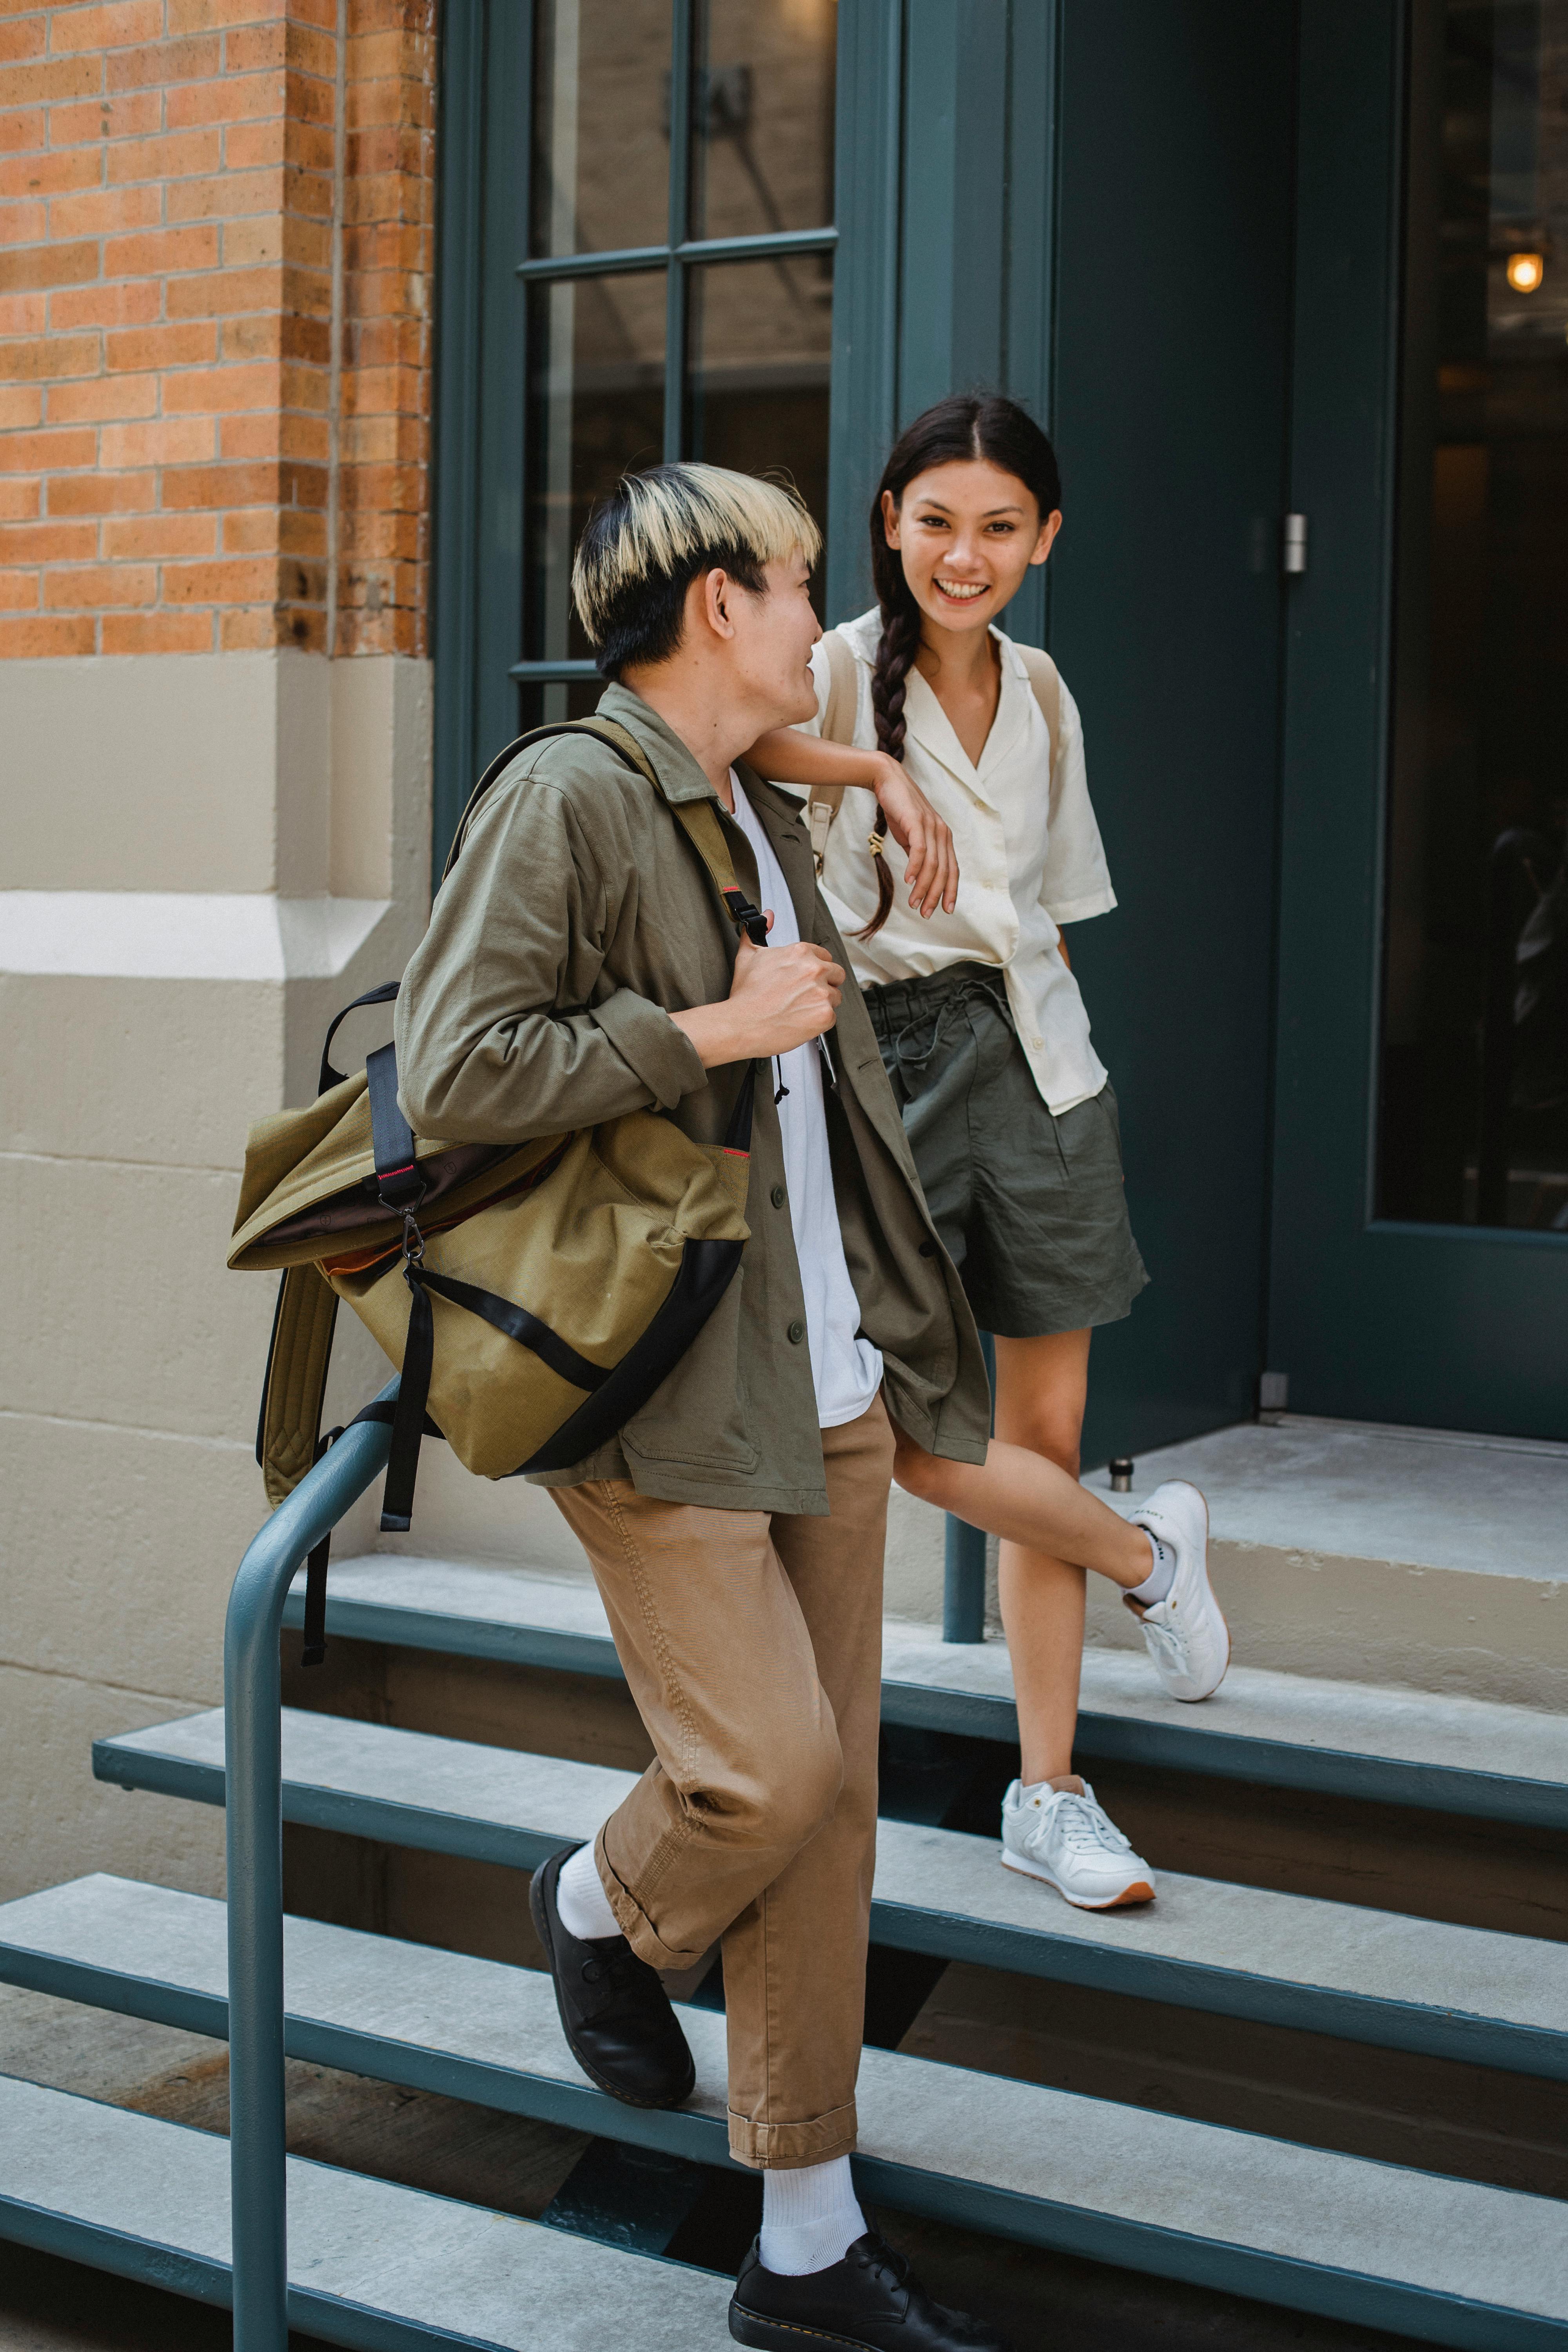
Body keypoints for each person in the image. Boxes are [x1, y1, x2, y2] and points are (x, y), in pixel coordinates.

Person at [394, 460, 1214, 2350]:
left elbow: (813, 823)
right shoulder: (570, 796)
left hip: (825, 1386)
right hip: (663, 1395)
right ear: (715, 611)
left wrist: (869, 779)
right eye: (786, 582)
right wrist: (705, 1031)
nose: (814, 612)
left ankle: (805, 2247)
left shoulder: (749, 795)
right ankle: (601, 1902)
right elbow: (454, 1070)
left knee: (829, 1830)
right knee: (770, 1779)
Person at [744, 395, 1229, 1916]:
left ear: (1045, 538)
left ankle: (1050, 1791)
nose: (966, 554)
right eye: (936, 520)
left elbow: (1053, 908)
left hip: (1034, 1059)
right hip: (876, 1074)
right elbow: (719, 740)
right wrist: (871, 775)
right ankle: (1143, 1556)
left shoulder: (1041, 687)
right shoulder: (824, 664)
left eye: (999, 526)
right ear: (889, 518)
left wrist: (1057, 1082)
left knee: (1040, 1428)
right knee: (900, 1428)